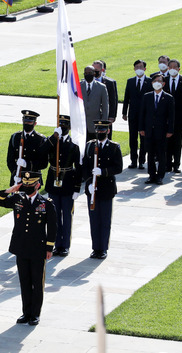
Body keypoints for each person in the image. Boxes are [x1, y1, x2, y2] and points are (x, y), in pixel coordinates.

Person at [0, 171, 56, 326]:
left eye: (30, 184)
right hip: (21, 247)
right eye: (24, 184)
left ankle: (35, 314)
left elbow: (53, 227)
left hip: (38, 248)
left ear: (38, 185)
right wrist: (9, 191)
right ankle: (26, 313)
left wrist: (49, 248)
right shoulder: (17, 199)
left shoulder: (46, 203)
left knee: (37, 282)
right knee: (24, 281)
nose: (26, 187)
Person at [82, 121, 123, 259]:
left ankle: (103, 248)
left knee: (105, 220)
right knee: (94, 220)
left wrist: (103, 171)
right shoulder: (89, 146)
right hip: (92, 189)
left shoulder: (114, 147)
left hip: (106, 188)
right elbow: (86, 167)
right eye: (98, 130)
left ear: (108, 131)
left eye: (102, 130)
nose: (100, 132)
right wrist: (88, 183)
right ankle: (95, 248)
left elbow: (118, 168)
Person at [45, 115, 82, 257]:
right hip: (53, 184)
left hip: (67, 183)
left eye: (65, 125)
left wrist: (77, 187)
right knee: (54, 216)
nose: (63, 127)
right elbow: (42, 151)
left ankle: (65, 245)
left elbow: (78, 168)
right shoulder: (53, 142)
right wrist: (54, 137)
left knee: (66, 216)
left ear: (70, 127)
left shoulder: (74, 145)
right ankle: (55, 244)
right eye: (61, 124)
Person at [139, 73, 175, 185]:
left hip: (162, 131)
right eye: (155, 81)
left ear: (163, 84)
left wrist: (170, 130)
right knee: (150, 153)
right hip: (149, 130)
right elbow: (142, 114)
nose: (157, 83)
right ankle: (151, 175)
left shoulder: (168, 98)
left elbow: (171, 116)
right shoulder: (147, 96)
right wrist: (141, 128)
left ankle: (160, 176)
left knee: (161, 154)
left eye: (159, 81)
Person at [122, 59, 153, 169]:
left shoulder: (150, 82)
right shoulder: (130, 81)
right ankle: (133, 160)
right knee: (133, 137)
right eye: (137, 67)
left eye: (141, 67)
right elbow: (126, 98)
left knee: (143, 138)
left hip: (145, 115)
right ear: (134, 69)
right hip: (133, 114)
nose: (139, 69)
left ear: (145, 69)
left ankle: (142, 161)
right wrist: (124, 112)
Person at [164, 59, 182, 173]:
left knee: (177, 141)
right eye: (170, 67)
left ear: (179, 69)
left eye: (175, 67)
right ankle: (167, 163)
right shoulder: (164, 80)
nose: (172, 69)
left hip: (180, 118)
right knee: (167, 141)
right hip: (165, 117)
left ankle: (176, 164)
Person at [7, 110, 48, 186]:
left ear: (35, 123)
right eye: (25, 121)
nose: (27, 124)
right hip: (17, 179)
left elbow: (43, 163)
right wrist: (15, 173)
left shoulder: (40, 140)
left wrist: (27, 164)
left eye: (29, 122)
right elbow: (10, 160)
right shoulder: (15, 137)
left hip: (33, 180)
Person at [81, 66, 109, 141]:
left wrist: (103, 124)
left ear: (94, 74)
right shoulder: (78, 86)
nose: (87, 75)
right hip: (81, 124)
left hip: (95, 124)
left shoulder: (101, 87)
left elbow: (105, 107)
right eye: (86, 73)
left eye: (89, 73)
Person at [93, 60, 118, 139]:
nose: (94, 73)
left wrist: (112, 116)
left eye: (96, 71)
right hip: (92, 115)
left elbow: (113, 101)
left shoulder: (110, 83)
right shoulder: (86, 82)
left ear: (102, 70)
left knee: (105, 137)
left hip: (105, 116)